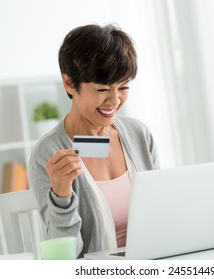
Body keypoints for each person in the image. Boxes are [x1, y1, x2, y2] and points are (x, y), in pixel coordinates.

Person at [28, 24, 160, 258]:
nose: (115, 100)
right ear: (69, 83)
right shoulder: (49, 153)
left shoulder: (139, 135)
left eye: (124, 87)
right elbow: (65, 257)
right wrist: (61, 196)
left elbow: (162, 213)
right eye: (102, 89)